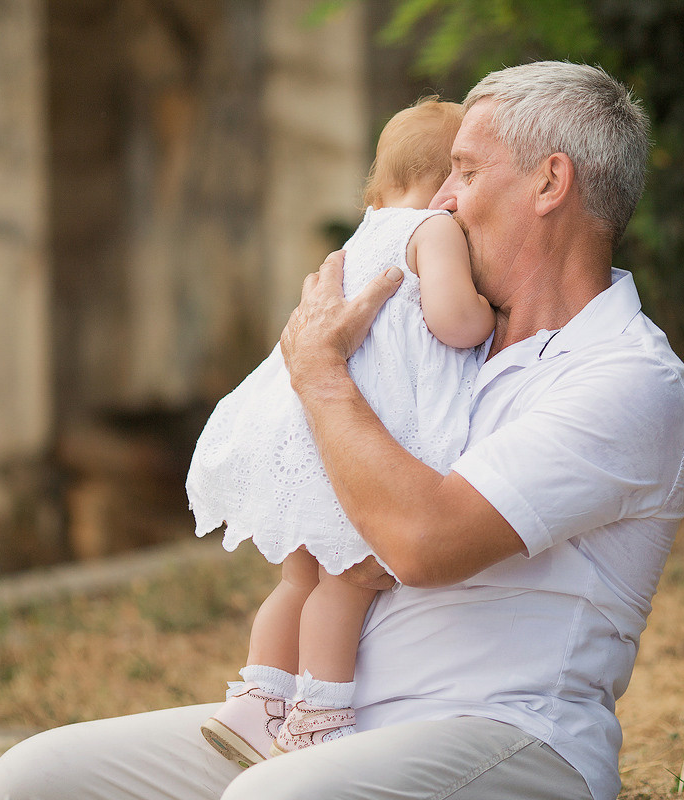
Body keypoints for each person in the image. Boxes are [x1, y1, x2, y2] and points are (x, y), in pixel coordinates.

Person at [0, 60, 684, 800]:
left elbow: (425, 543)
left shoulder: (627, 378)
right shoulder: (438, 341)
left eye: (466, 171)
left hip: (509, 736)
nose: (444, 200)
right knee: (33, 781)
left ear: (550, 184)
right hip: (332, 718)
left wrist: (321, 373)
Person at [186, 98, 494, 766]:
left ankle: (255, 701)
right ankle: (318, 715)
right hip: (358, 446)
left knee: (297, 581)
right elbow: (454, 322)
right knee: (347, 582)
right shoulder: (433, 231)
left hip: (305, 442)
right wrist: (486, 312)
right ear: (449, 186)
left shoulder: (363, 234)